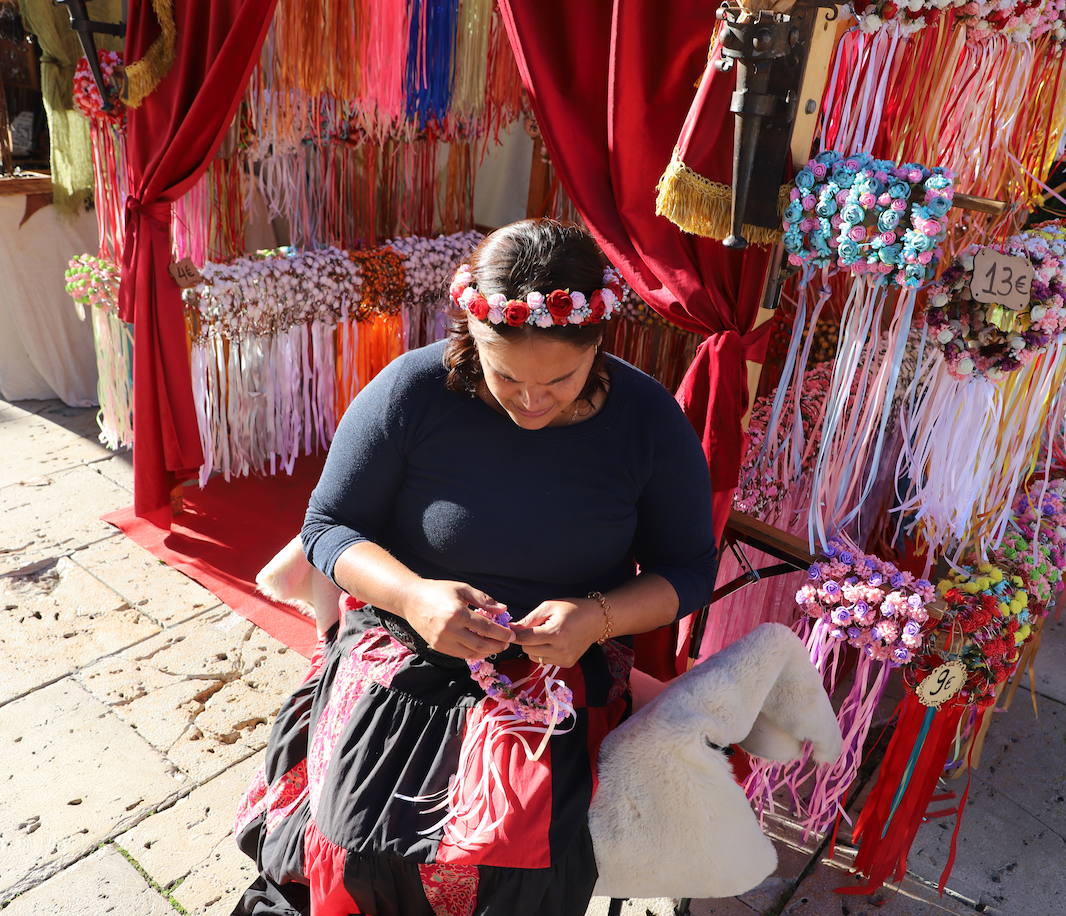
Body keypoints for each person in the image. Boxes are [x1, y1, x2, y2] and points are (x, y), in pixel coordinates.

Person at [230, 219, 718, 916]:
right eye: (506, 375)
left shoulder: (647, 420)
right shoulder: (413, 391)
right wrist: (415, 597)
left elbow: (689, 569)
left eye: (561, 378)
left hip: (557, 669)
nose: (531, 400)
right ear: (471, 340)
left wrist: (596, 617)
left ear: (598, 344)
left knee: (512, 861)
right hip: (403, 644)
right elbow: (328, 529)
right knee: (360, 840)